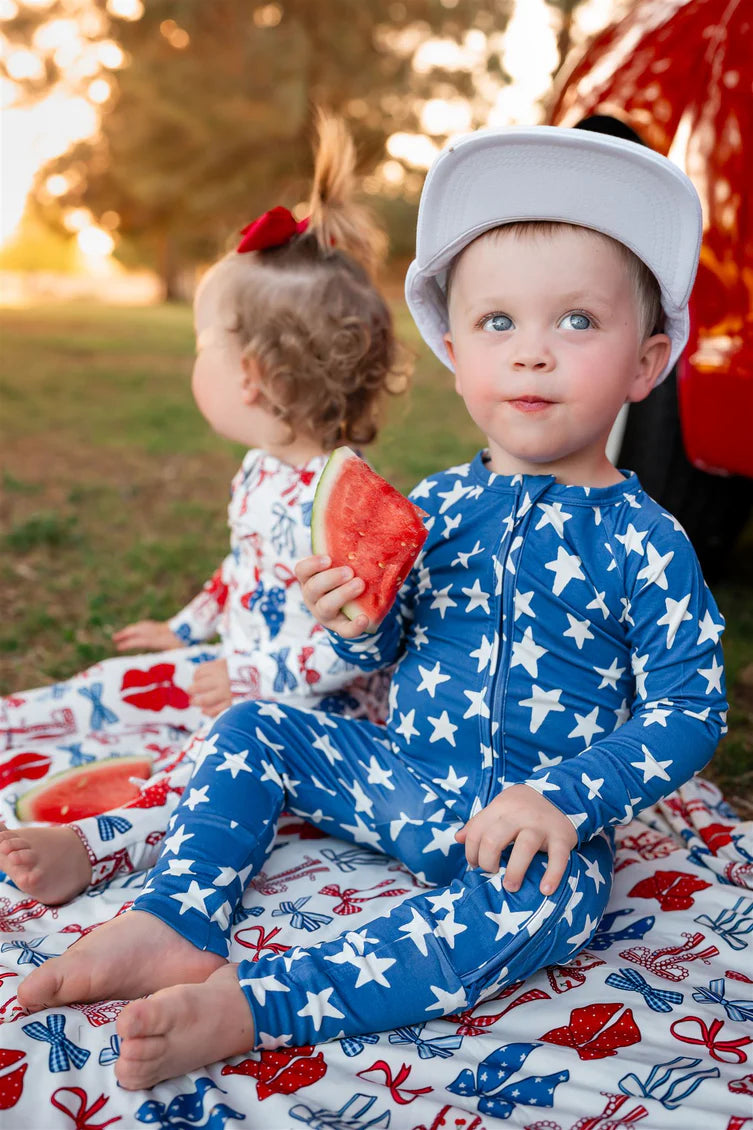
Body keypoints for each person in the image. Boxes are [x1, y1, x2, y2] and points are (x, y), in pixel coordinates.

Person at [17, 125, 727, 1092]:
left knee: (545, 910)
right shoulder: (429, 505)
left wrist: (564, 796)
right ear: (451, 349)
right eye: (497, 324)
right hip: (403, 778)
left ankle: (255, 1004)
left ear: (645, 367)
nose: (530, 357)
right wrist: (357, 618)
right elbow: (397, 639)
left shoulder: (648, 540)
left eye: (574, 323)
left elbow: (689, 710)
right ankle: (176, 919)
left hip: (526, 834)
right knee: (259, 727)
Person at [0, 111, 404, 907]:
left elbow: (358, 650)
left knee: (207, 771)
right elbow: (241, 572)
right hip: (241, 673)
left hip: (306, 721)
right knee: (125, 677)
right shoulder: (261, 471)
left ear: (249, 376)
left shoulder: (349, 500)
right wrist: (186, 631)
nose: (195, 363)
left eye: (199, 346)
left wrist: (249, 671)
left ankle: (96, 846)